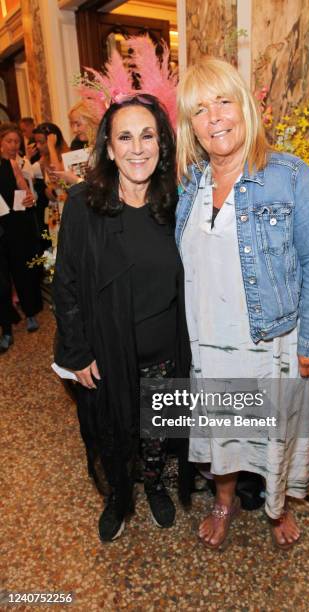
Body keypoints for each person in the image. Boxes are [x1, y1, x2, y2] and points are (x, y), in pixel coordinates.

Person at [176, 58, 309, 550]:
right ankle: (224, 502)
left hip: (271, 343)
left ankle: (276, 506)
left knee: (275, 433)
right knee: (223, 433)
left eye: (224, 100)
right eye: (200, 109)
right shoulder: (190, 186)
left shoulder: (289, 175)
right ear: (191, 126)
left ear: (244, 106)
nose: (215, 116)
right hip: (210, 342)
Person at [52, 94, 190, 542]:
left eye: (147, 135)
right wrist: (76, 350)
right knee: (113, 430)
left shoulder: (176, 204)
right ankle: (117, 497)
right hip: (108, 353)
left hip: (165, 353)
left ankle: (152, 484)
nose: (137, 147)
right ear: (109, 149)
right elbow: (67, 283)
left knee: (155, 433)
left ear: (161, 143)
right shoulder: (83, 206)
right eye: (124, 137)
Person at [0, 128, 42, 350]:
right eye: (9, 141)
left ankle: (30, 314)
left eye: (17, 141)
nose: (13, 145)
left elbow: (25, 192)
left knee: (22, 271)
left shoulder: (18, 164)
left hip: (17, 226)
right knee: (2, 282)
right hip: (0, 229)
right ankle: (6, 329)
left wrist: (28, 195)